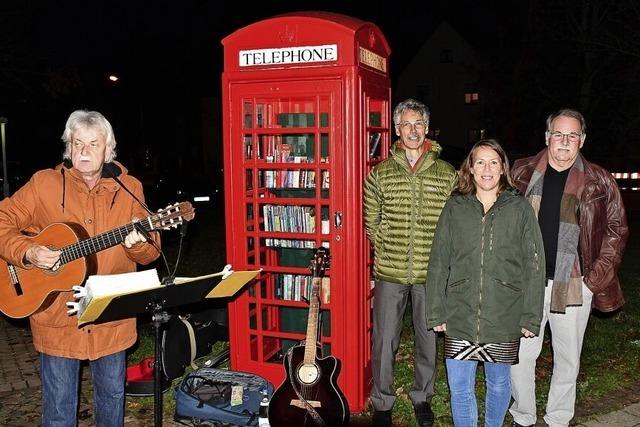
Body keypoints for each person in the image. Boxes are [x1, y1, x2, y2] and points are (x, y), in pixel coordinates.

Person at [0, 110, 161, 427]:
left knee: (112, 401)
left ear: (108, 150)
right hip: (58, 319)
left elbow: (151, 251)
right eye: (77, 143)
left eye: (93, 143)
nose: (85, 152)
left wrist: (135, 244)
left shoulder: (128, 188)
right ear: (68, 148)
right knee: (59, 408)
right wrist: (28, 251)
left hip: (111, 317)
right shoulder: (43, 184)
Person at [509, 109, 629, 427]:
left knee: (567, 358)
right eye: (558, 134)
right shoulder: (522, 172)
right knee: (520, 355)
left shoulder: (599, 180)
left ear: (582, 139)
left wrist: (592, 281)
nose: (564, 141)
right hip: (528, 281)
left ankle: (559, 418)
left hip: (574, 283)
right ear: (547, 137)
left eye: (572, 134)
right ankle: (523, 415)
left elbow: (616, 231)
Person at [425, 139, 545, 427]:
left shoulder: (520, 209)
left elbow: (534, 264)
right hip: (459, 312)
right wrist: (436, 310)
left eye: (493, 162)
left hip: (503, 313)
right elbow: (439, 261)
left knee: (500, 384)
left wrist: (531, 314)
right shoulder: (455, 207)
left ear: (503, 168)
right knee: (460, 387)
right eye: (480, 162)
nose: (487, 169)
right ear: (470, 168)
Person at [364, 98, 457, 427]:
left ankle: (423, 397)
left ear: (427, 128)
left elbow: (454, 222)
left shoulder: (447, 174)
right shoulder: (380, 173)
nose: (413, 130)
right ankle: (383, 402)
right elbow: (370, 220)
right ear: (396, 129)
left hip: (430, 274)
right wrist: (386, 245)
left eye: (418, 124)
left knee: (427, 340)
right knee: (384, 340)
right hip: (390, 272)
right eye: (406, 124)